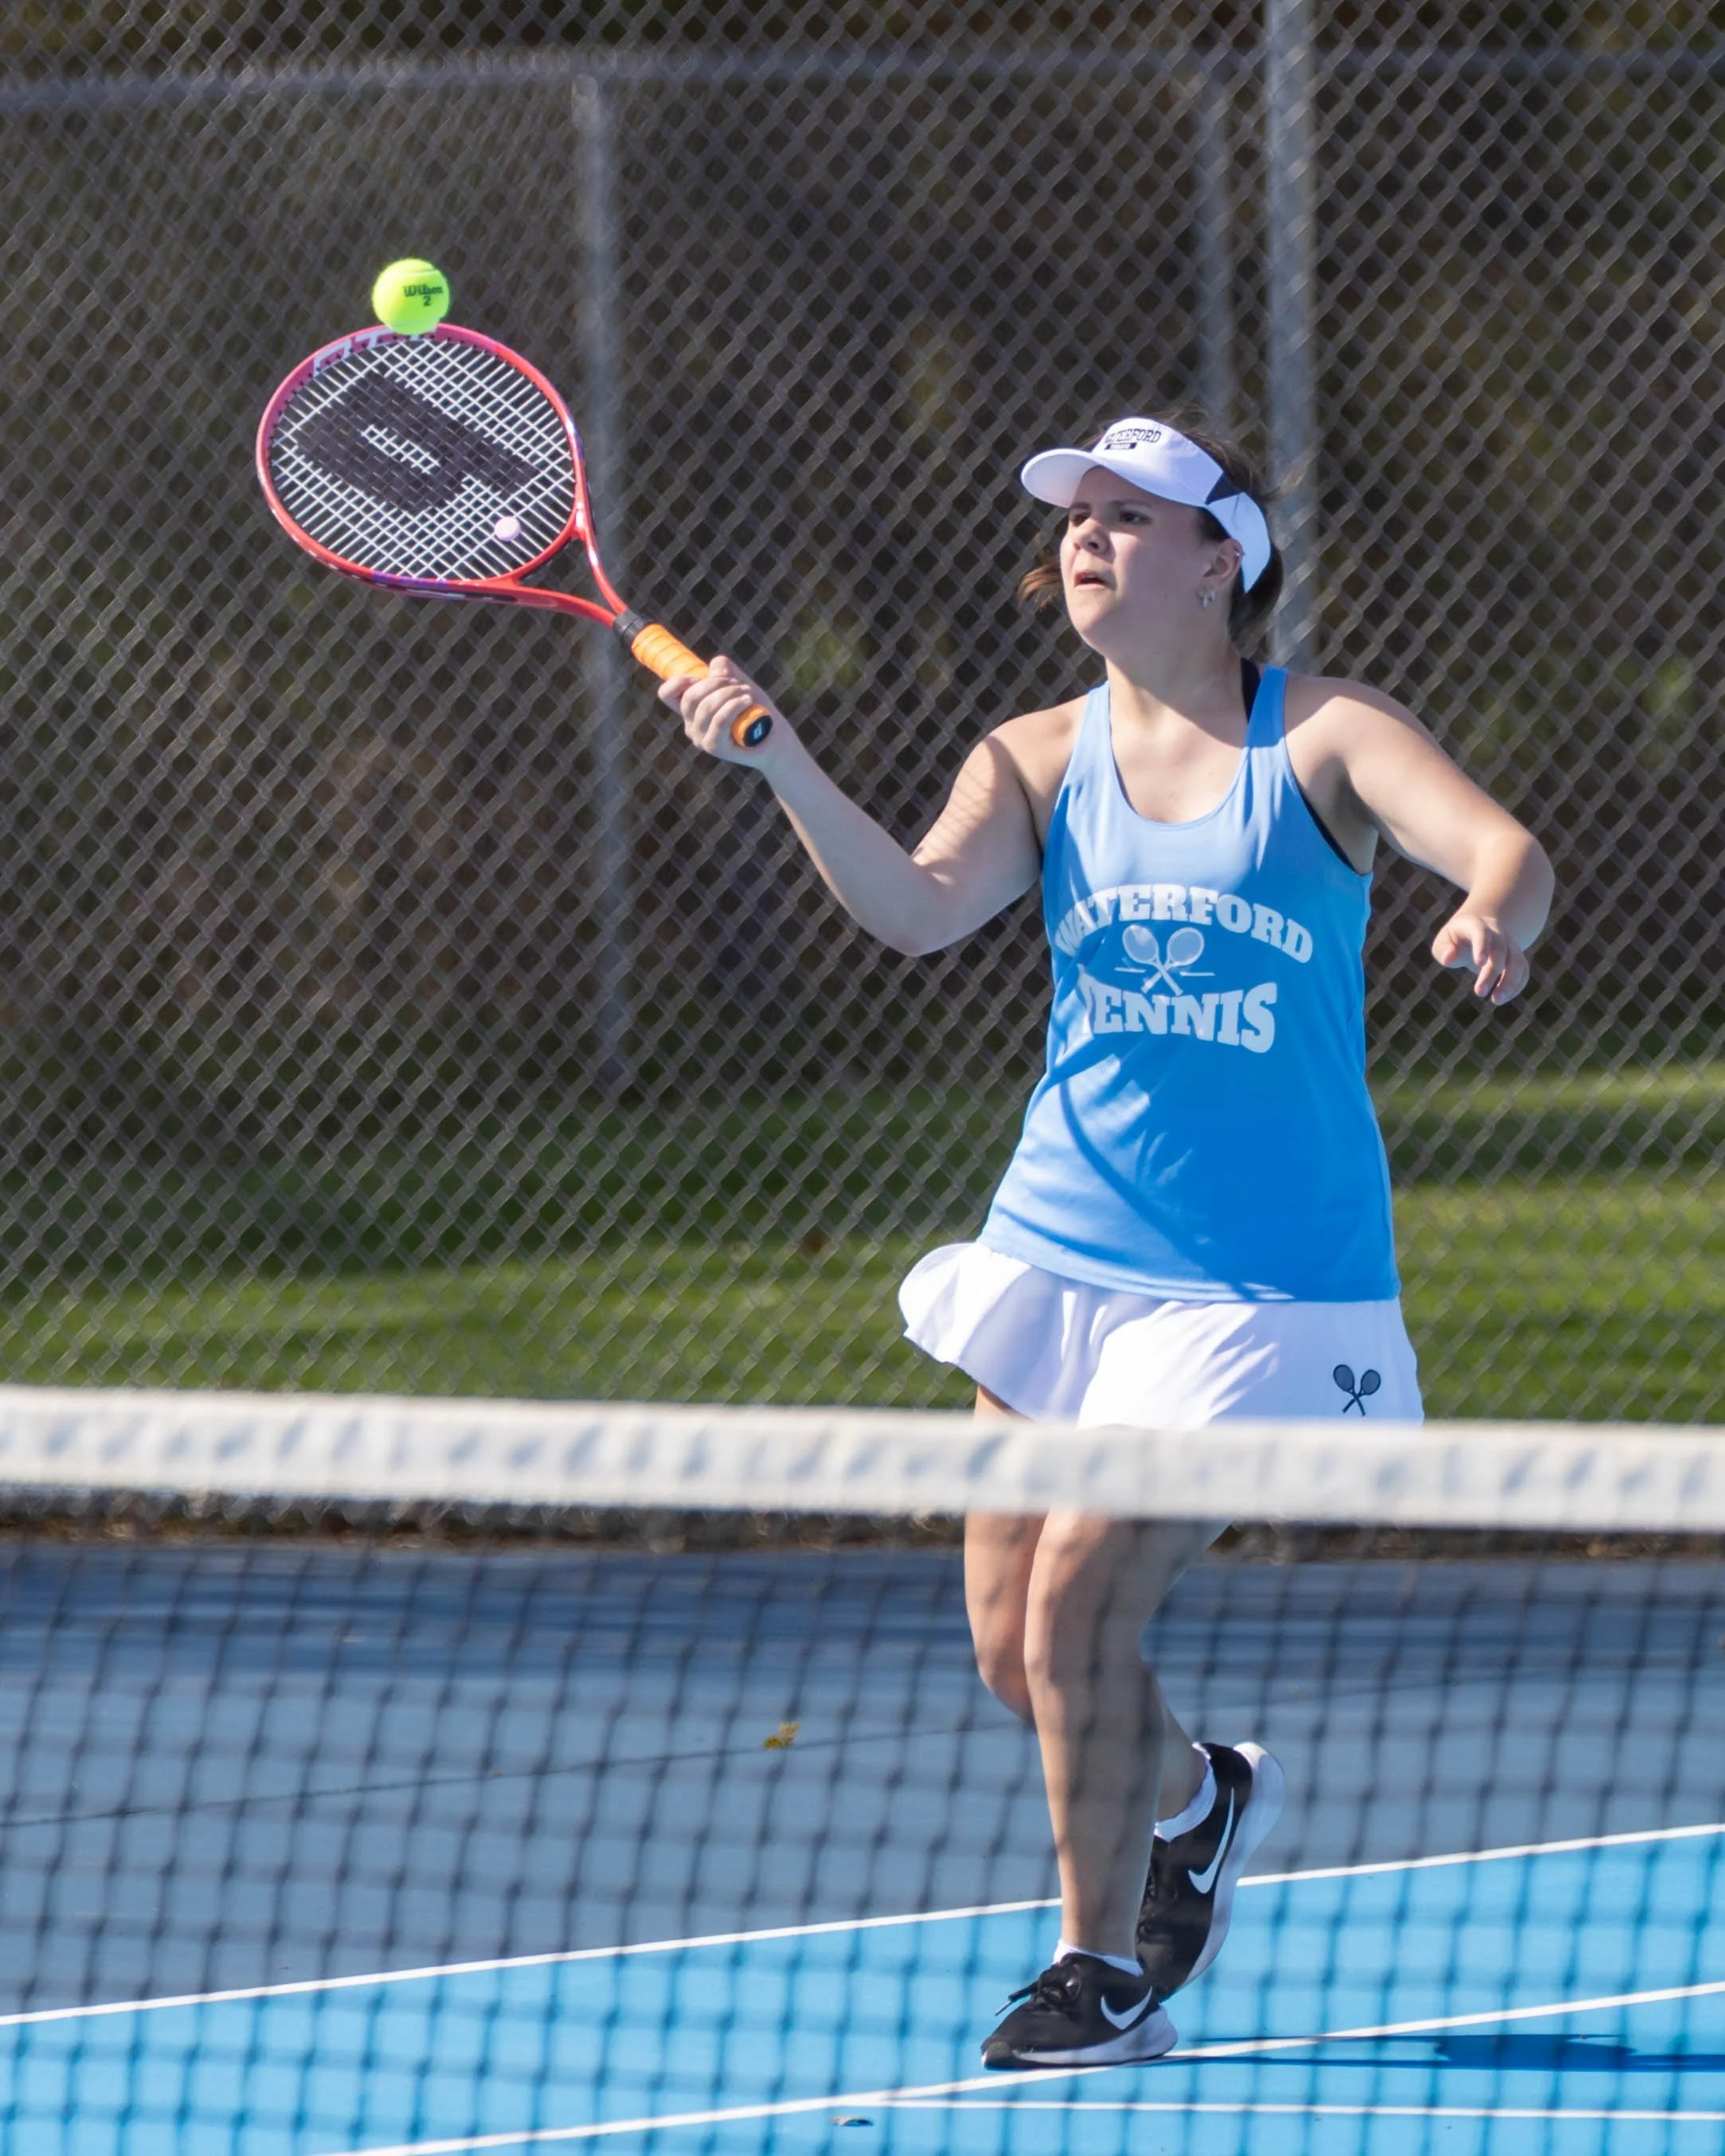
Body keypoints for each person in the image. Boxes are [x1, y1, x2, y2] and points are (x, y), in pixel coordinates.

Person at [660, 412, 1554, 2070]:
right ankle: (1202, 1795)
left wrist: (1494, 911)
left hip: (1262, 1297)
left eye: (1135, 517)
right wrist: (780, 760)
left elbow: (1505, 844)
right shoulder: (1038, 755)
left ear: (1225, 560)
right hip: (1059, 1257)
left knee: (1078, 1611)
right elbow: (925, 909)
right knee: (1020, 1657)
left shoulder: (1327, 739)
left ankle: (1101, 1966)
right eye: (1080, 514)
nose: (1091, 536)